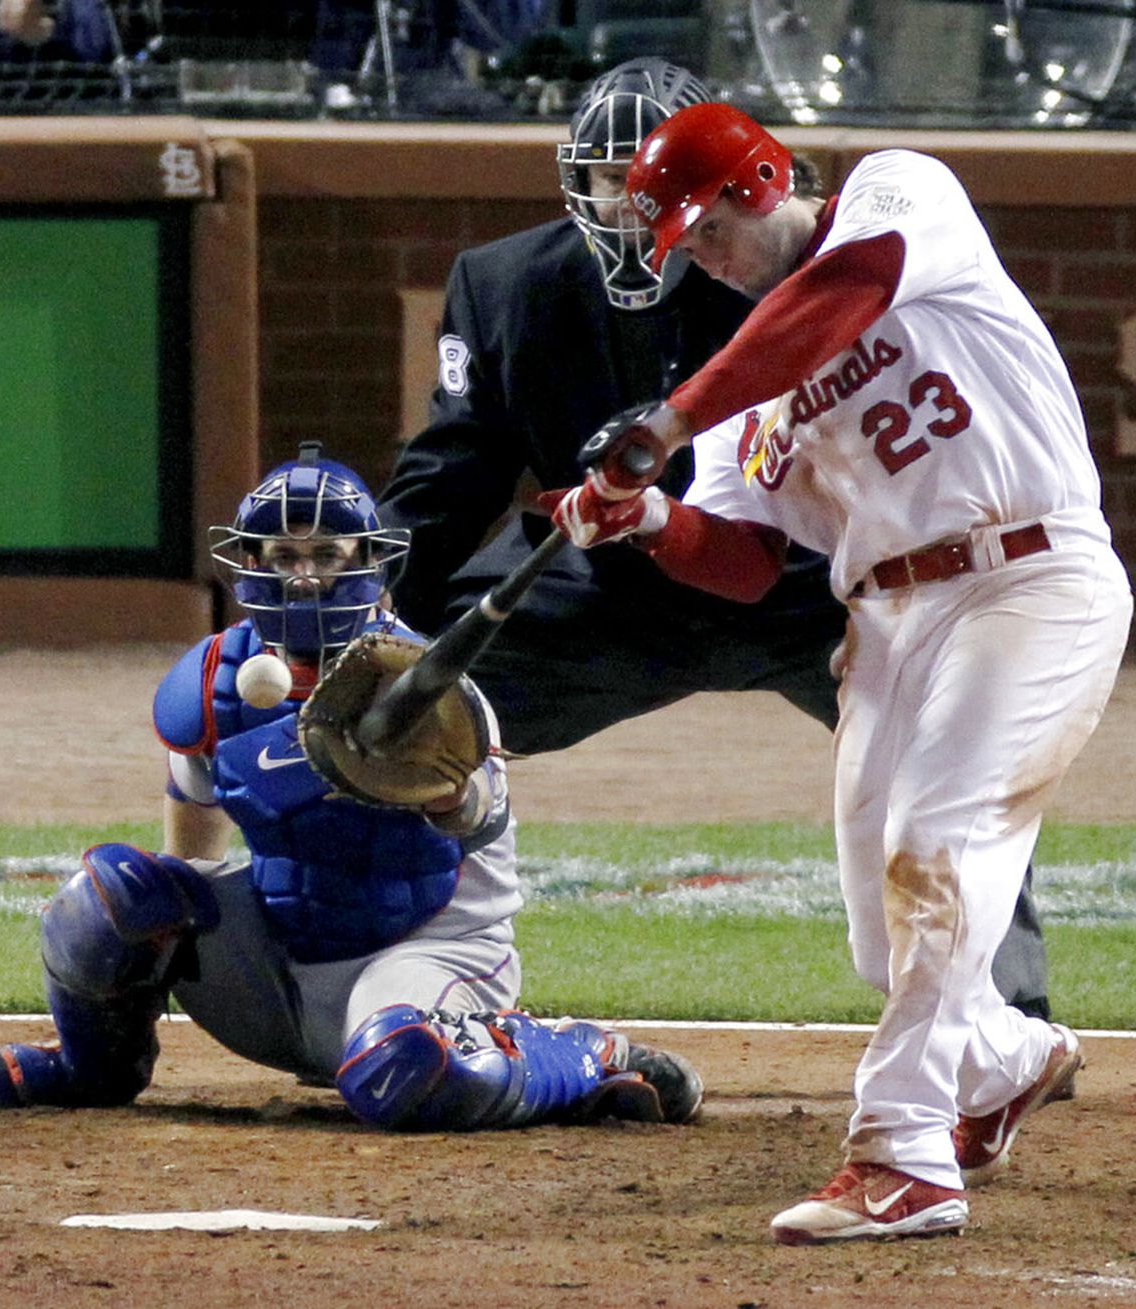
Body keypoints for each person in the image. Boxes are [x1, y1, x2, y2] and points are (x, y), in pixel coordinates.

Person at [545, 103, 1132, 1242]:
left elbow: (844, 293)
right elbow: (747, 565)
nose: (701, 263)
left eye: (705, 232)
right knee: (883, 935)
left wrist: (664, 423)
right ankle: (1009, 1055)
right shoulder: (746, 386)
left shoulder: (893, 192)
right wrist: (646, 514)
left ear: (761, 181)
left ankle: (900, 1153)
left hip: (1024, 577)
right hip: (885, 623)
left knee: (940, 848)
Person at [376, 55, 1054, 1020]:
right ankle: (383, 971)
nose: (626, 204)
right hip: (603, 589)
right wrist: (368, 612)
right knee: (405, 706)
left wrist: (672, 425)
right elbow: (452, 472)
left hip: (809, 587)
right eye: (605, 179)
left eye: (641, 175)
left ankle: (1008, 1017)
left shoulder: (782, 259)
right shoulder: (502, 285)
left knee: (948, 760)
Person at [0, 444, 703, 1131]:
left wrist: (438, 790)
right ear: (249, 562)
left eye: (324, 553)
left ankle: (581, 1055)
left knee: (405, 1070)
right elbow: (192, 860)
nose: (302, 574)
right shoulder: (214, 683)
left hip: (427, 952)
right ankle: (92, 1067)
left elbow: (480, 822)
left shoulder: (428, 683)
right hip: (279, 965)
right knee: (109, 895)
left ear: (367, 560)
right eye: (281, 554)